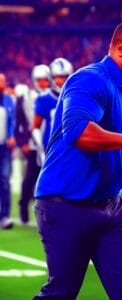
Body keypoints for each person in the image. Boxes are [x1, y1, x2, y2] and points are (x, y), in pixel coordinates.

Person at [33, 18, 122, 300]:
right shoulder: (89, 79)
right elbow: (79, 132)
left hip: (114, 208)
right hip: (66, 204)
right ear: (120, 48)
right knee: (60, 293)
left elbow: (115, 155)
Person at [15, 64, 51, 224]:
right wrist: (23, 142)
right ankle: (23, 206)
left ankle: (47, 212)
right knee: (29, 179)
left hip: (50, 144)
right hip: (33, 145)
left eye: (44, 80)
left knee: (48, 180)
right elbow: (20, 122)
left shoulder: (53, 95)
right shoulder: (26, 97)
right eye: (39, 80)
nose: (42, 83)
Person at [0, 73, 16, 229]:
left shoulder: (9, 100)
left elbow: (12, 121)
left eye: (3, 81)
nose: (2, 83)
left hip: (4, 148)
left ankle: (4, 216)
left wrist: (11, 135)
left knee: (5, 180)